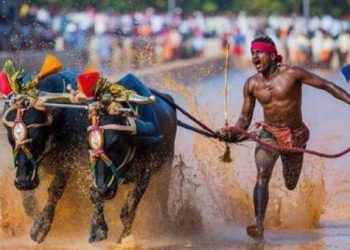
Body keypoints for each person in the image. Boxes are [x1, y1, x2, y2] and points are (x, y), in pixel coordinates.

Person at [219, 35, 350, 240]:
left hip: (294, 136)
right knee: (262, 173)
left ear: (271, 55)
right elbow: (244, 119)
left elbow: (326, 85)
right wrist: (232, 132)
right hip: (269, 133)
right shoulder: (251, 84)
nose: (254, 57)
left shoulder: (293, 73)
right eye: (252, 53)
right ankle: (259, 225)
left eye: (259, 52)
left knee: (291, 183)